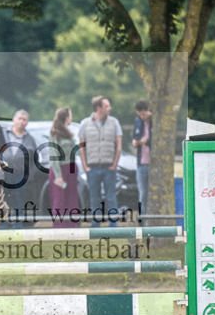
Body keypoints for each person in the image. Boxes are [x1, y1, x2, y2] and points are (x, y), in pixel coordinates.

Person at [78, 95, 122, 228]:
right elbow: (81, 147)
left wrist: (115, 164)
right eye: (107, 106)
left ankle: (113, 226)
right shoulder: (85, 124)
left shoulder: (114, 122)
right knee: (94, 198)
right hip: (92, 168)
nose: (110, 108)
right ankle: (95, 225)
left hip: (109, 167)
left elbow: (119, 146)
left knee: (111, 197)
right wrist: (85, 166)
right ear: (99, 108)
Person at [0, 109, 37, 229]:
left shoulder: (29, 139)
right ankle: (3, 225)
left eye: (24, 119)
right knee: (2, 200)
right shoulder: (3, 134)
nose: (21, 121)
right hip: (3, 173)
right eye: (19, 118)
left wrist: (29, 174)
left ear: (27, 122)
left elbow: (34, 159)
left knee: (18, 200)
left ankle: (18, 225)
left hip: (20, 174)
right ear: (14, 120)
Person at [48, 108, 80, 228]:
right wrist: (58, 175)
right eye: (70, 115)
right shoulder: (54, 133)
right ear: (66, 117)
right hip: (60, 169)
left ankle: (72, 227)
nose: (71, 117)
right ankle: (59, 227)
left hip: (71, 168)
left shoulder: (68, 132)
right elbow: (54, 155)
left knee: (72, 198)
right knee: (59, 201)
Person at [131, 99, 152, 218]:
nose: (141, 116)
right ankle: (143, 221)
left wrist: (147, 141)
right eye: (139, 114)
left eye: (143, 114)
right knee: (143, 195)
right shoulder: (138, 122)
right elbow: (135, 138)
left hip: (152, 163)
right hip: (141, 163)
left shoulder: (155, 122)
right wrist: (137, 142)